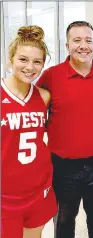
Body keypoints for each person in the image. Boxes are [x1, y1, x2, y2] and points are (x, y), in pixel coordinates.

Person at [36, 21, 93, 238]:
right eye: (77, 40)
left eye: (88, 40)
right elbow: (34, 110)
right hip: (62, 166)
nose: (83, 45)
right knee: (63, 221)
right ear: (67, 44)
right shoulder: (51, 76)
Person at [1, 25, 57, 238]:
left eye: (37, 62)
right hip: (5, 194)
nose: (30, 67)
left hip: (37, 188)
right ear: (11, 60)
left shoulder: (43, 97)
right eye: (23, 59)